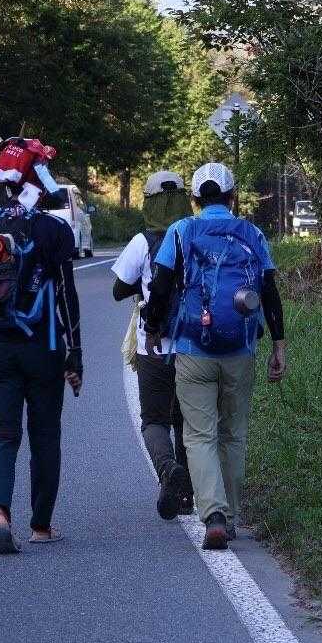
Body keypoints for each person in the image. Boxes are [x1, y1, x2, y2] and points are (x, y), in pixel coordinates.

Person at [145, 163, 287, 550]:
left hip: (194, 349)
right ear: (232, 196)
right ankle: (233, 516)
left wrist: (153, 327)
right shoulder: (253, 233)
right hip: (241, 349)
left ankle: (214, 516)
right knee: (233, 434)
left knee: (198, 435)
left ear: (194, 198)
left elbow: (160, 286)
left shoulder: (181, 230)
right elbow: (269, 292)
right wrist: (279, 344)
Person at [0, 139, 83, 555]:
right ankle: (41, 527)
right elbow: (66, 294)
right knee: (45, 435)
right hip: (43, 350)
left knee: (2, 435)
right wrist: (75, 353)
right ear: (38, 179)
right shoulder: (53, 230)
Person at [112, 171, 194, 520]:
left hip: (155, 344)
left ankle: (167, 469)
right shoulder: (196, 235)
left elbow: (119, 289)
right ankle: (186, 495)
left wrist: (147, 284)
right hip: (195, 344)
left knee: (154, 420)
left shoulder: (143, 241)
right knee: (187, 421)